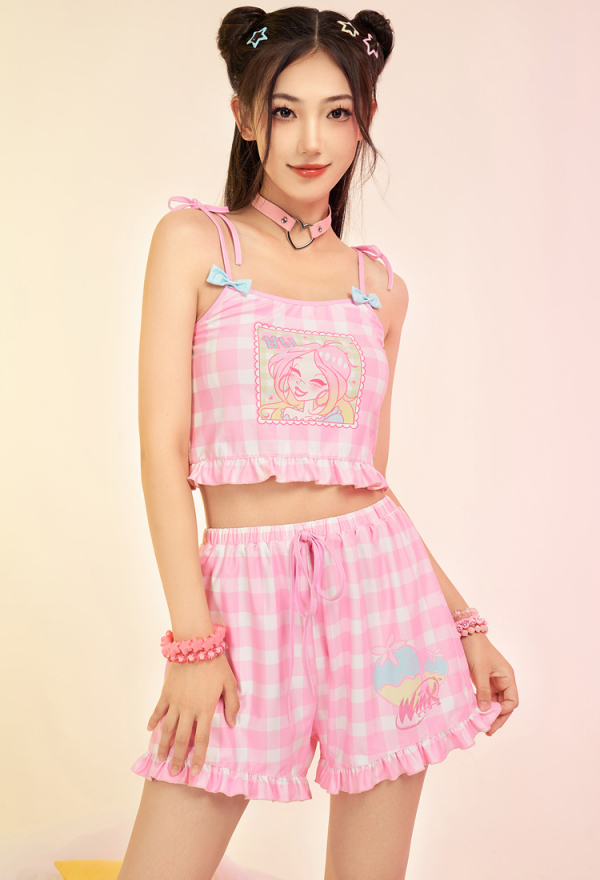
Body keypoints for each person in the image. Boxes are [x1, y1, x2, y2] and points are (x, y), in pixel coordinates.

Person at [118, 7, 518, 880]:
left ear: (363, 119)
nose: (311, 140)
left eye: (337, 112)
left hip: (385, 597)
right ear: (244, 116)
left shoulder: (380, 288)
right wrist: (193, 643)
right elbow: (162, 451)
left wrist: (463, 624)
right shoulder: (195, 243)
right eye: (284, 110)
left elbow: (366, 482)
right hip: (239, 605)